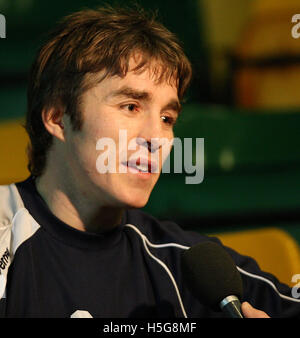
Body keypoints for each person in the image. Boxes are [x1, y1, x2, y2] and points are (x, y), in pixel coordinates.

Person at [0, 5, 298, 318]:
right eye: (130, 106)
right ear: (58, 117)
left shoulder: (193, 268)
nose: (156, 137)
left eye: (168, 118)